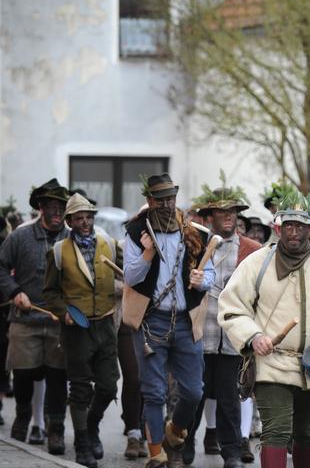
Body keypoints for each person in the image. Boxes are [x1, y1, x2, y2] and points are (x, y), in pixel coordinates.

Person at [218, 191, 310, 468]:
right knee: (276, 430)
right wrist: (254, 337)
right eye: (289, 225)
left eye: (301, 225)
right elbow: (231, 306)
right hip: (272, 363)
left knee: (308, 432)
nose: (294, 232)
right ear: (278, 227)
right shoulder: (256, 263)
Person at [122, 173, 215, 468]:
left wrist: (202, 280)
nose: (166, 204)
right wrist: (148, 253)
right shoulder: (136, 231)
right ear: (149, 200)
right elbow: (130, 277)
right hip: (152, 323)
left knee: (194, 390)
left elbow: (210, 275)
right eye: (160, 199)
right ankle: (155, 454)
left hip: (187, 322)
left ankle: (175, 430)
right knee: (154, 392)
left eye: (170, 198)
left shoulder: (196, 232)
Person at [184, 185, 262, 467]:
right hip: (201, 332)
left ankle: (231, 451)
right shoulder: (197, 245)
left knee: (230, 398)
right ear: (210, 216)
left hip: (233, 336)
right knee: (194, 393)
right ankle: (185, 444)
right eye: (221, 212)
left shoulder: (253, 250)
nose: (227, 216)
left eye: (231, 211)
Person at [41, 194, 121, 467]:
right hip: (77, 330)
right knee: (79, 388)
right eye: (79, 218)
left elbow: (130, 271)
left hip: (106, 325)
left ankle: (91, 425)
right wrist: (64, 313)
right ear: (70, 221)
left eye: (88, 217)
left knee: (109, 386)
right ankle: (83, 443)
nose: (85, 222)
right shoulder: (58, 251)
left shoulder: (108, 244)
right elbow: (49, 292)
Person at [0, 178, 70, 454]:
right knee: (24, 372)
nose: (57, 212)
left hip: (58, 321)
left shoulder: (72, 237)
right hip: (24, 318)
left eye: (61, 207)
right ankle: (23, 416)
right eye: (51, 206)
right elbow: (1, 267)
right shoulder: (20, 236)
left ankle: (56, 429)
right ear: (40, 207)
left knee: (57, 375)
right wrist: (15, 291)